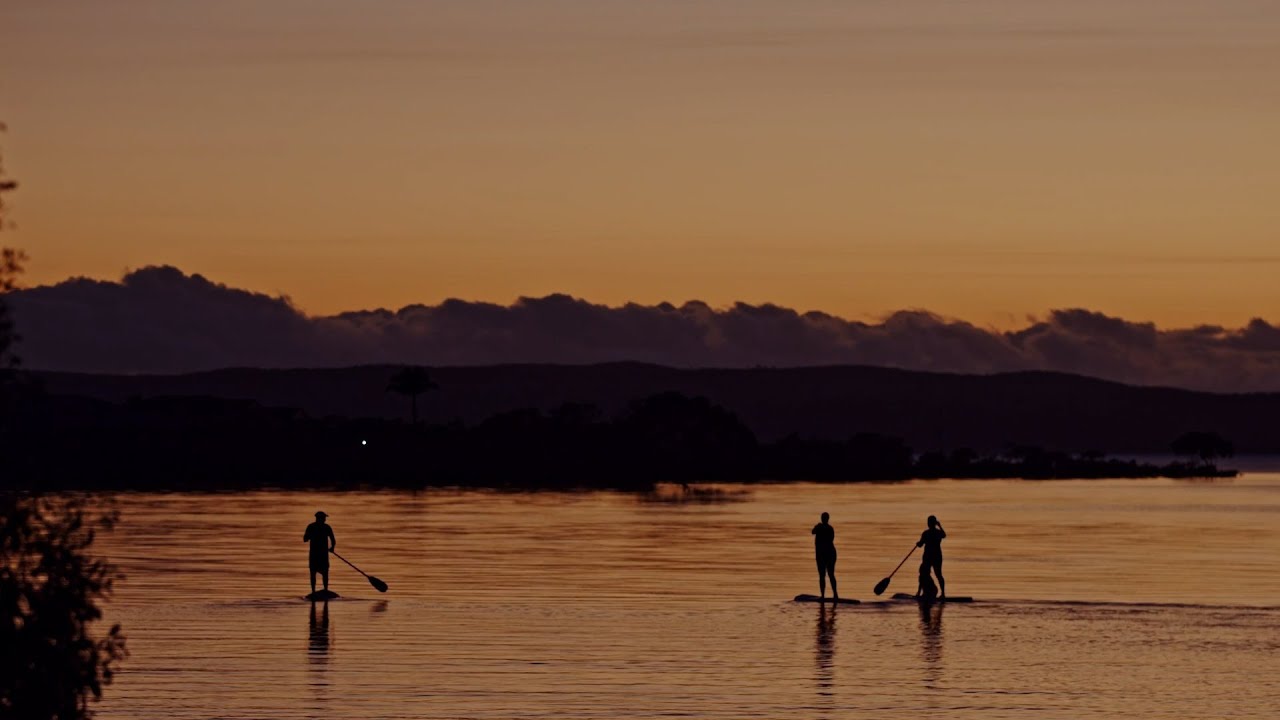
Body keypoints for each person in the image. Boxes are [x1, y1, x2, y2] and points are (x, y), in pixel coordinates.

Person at [303, 511, 336, 594]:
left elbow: (305, 539)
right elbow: (333, 540)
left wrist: (332, 548)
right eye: (324, 518)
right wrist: (332, 548)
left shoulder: (311, 526)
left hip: (315, 554)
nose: (325, 519)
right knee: (324, 573)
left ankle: (314, 591)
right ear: (320, 518)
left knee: (313, 573)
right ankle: (325, 590)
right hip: (322, 555)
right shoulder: (326, 527)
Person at [916, 515, 946, 600]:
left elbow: (921, 544)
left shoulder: (927, 533)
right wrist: (939, 526)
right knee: (925, 574)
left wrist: (919, 543)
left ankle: (942, 594)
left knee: (928, 574)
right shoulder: (936, 532)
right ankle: (942, 594)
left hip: (931, 556)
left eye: (929, 522)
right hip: (933, 556)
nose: (928, 524)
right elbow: (944, 535)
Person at [811, 512, 838, 602]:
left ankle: (830, 595)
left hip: (827, 554)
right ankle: (831, 595)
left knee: (827, 574)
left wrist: (818, 527)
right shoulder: (828, 528)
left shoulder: (824, 528)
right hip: (827, 553)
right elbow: (813, 532)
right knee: (827, 574)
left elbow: (813, 532)